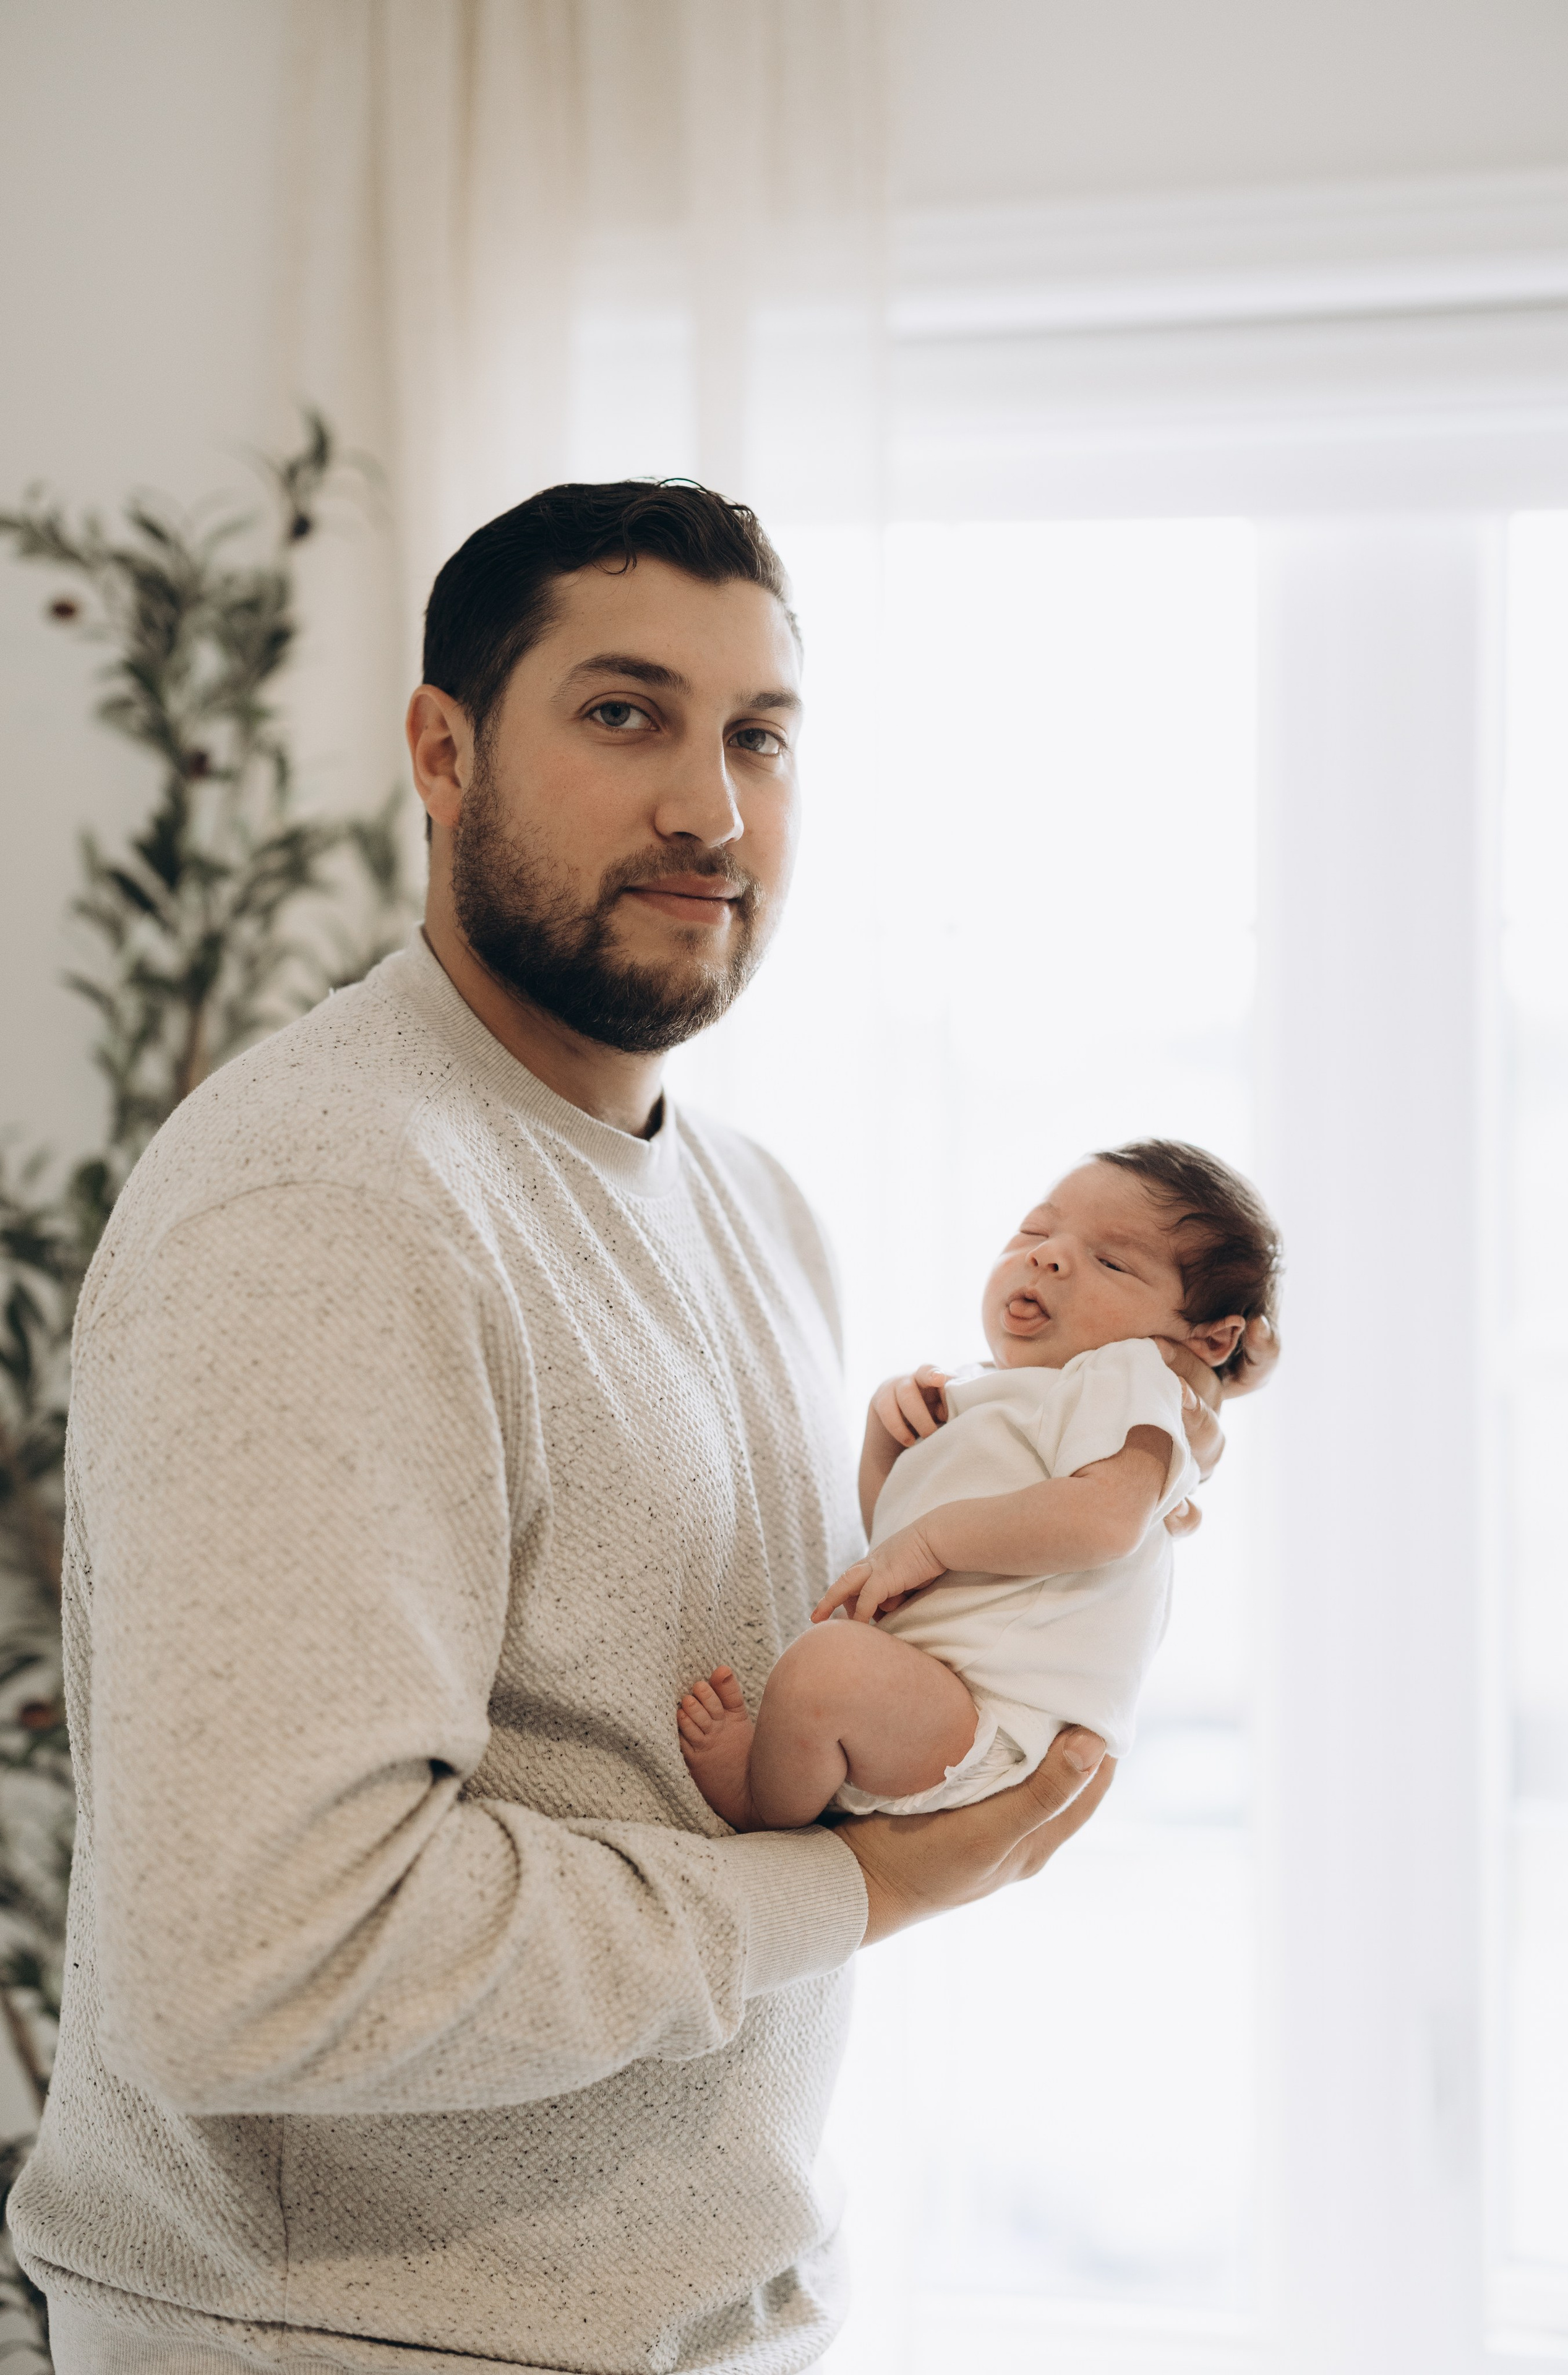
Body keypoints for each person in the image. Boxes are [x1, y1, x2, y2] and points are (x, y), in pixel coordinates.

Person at [10, 482, 1248, 2375]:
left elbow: (696, 1730)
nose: (711, 808)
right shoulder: (326, 1202)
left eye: (757, 734)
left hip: (718, 2316)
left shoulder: (758, 1201)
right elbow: (258, 1960)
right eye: (623, 713)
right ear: (440, 750)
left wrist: (1045, 1511)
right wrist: (860, 1885)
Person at [679, 1142, 1280, 1831]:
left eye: (1111, 1261)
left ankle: (764, 1803)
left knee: (825, 1668)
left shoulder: (1130, 1375)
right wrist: (888, 1442)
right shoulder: (1001, 1397)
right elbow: (890, 1548)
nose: (1047, 1257)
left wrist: (932, 1543)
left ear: (1204, 1339)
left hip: (1000, 1722)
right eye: (1034, 1231)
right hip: (933, 1701)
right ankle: (797, 1778)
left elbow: (1104, 1521)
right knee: (830, 1671)